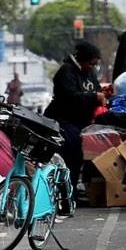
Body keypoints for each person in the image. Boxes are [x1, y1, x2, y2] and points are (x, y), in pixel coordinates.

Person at [44, 41, 106, 197]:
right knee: (71, 154)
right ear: (83, 60)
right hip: (63, 120)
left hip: (81, 121)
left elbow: (96, 89)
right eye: (91, 64)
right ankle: (65, 194)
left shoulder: (89, 73)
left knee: (81, 155)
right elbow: (70, 97)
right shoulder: (66, 72)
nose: (93, 68)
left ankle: (72, 191)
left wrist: (102, 95)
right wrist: (94, 97)